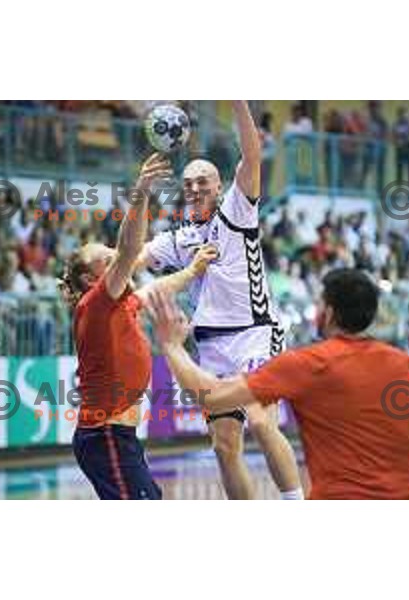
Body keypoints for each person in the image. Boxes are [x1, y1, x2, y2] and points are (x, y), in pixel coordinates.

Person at [147, 269, 409, 500]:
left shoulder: (308, 364)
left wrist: (173, 346)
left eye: (320, 304)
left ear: (330, 312)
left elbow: (213, 397)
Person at [135, 101, 302, 500]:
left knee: (262, 423)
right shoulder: (178, 240)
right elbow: (136, 256)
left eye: (203, 182)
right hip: (211, 346)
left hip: (255, 334)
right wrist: (102, 272)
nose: (194, 188)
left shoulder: (237, 211)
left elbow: (252, 152)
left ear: (220, 187)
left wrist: (237, 101)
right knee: (224, 447)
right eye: (188, 183)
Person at [59, 153, 217, 500]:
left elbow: (154, 290)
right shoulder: (96, 302)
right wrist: (142, 189)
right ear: (91, 278)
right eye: (107, 259)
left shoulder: (117, 303)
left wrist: (193, 271)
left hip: (116, 436)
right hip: (105, 435)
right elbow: (131, 248)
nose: (116, 258)